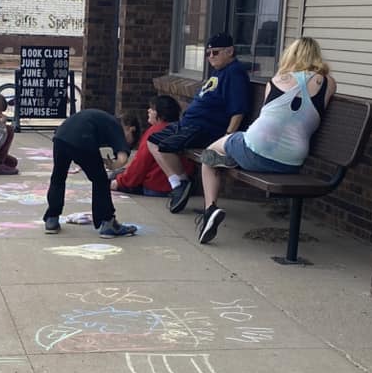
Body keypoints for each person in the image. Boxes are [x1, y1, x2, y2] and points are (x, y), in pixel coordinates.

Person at [196, 36, 337, 244]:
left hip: (255, 150)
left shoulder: (277, 81)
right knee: (232, 147)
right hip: (291, 161)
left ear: (289, 55)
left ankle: (210, 210)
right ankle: (230, 159)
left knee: (209, 154)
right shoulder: (328, 83)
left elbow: (268, 118)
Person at [147, 32, 251, 214]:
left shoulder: (235, 73)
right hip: (189, 125)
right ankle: (179, 183)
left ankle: (182, 184)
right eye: (208, 53)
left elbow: (239, 110)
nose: (210, 57)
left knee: (165, 145)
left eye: (215, 52)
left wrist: (226, 139)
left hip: (205, 129)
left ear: (230, 51)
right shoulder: (219, 72)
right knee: (152, 140)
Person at [44, 109, 138, 237]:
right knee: (101, 181)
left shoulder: (103, 120)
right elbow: (122, 159)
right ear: (131, 129)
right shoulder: (117, 127)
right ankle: (108, 222)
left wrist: (101, 161)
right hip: (83, 139)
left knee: (58, 177)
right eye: (130, 142)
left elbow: (97, 151)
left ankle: (52, 219)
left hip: (61, 136)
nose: (125, 144)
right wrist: (113, 166)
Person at [111, 96, 195, 197]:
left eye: (153, 109)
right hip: (179, 184)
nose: (149, 110)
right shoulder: (180, 129)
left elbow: (140, 165)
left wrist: (119, 183)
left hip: (156, 186)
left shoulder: (155, 132)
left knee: (113, 176)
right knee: (121, 172)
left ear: (161, 113)